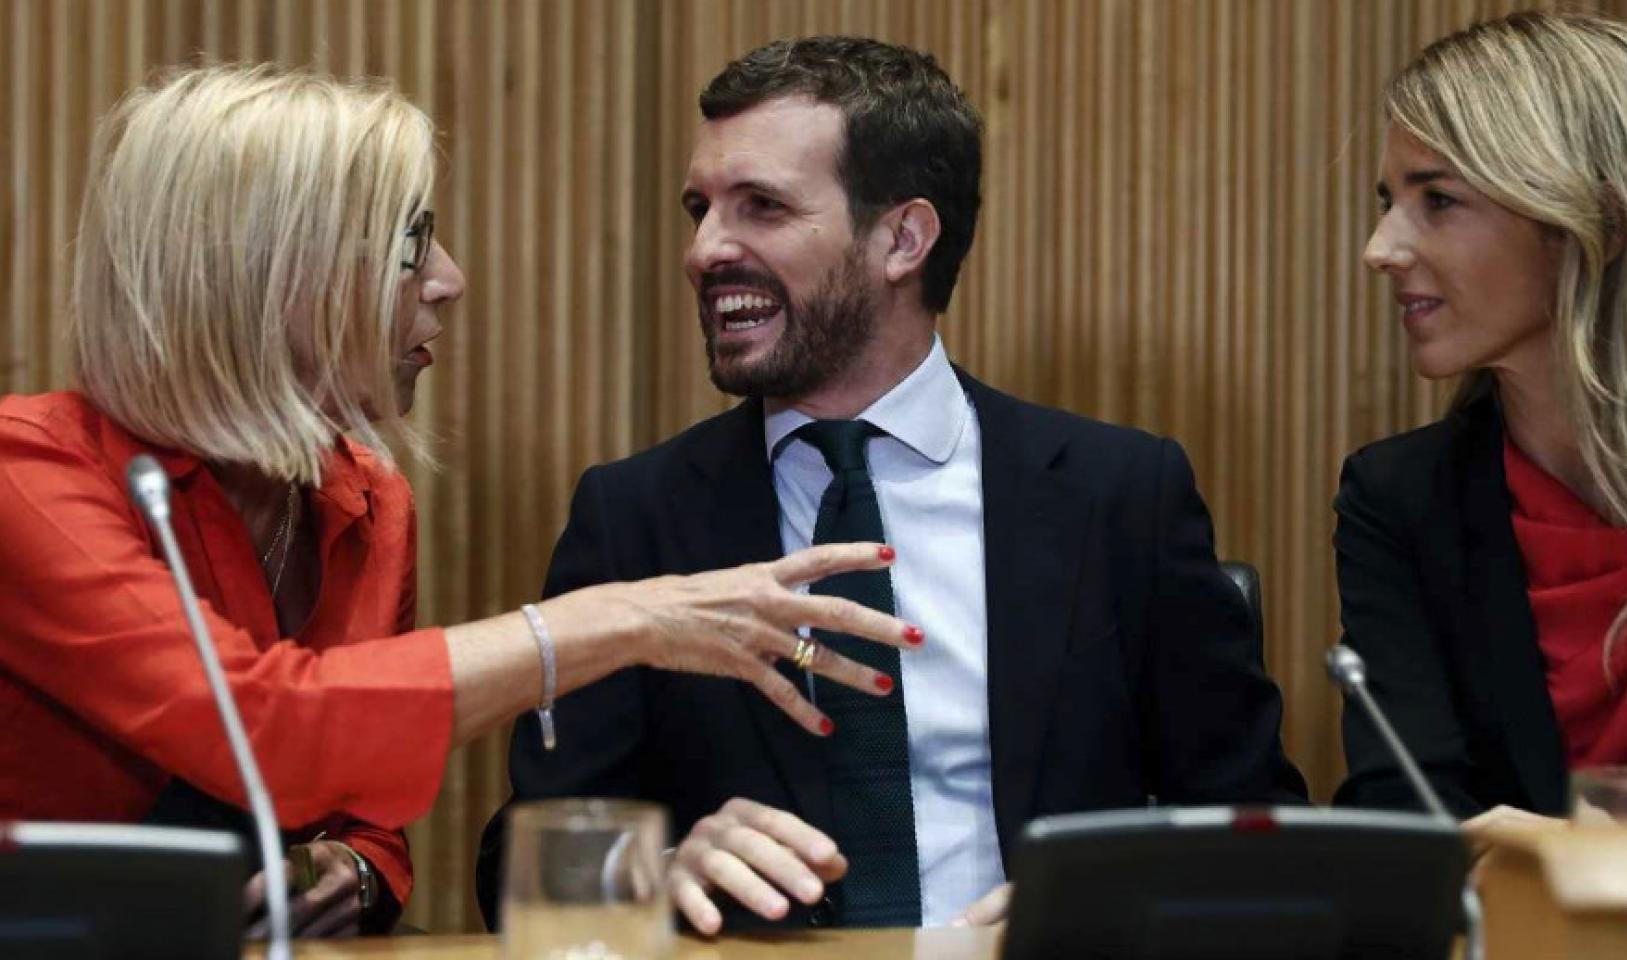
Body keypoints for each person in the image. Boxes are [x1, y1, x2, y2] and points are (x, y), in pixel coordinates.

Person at [0, 64, 916, 937]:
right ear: (268, 271)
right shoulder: (27, 474)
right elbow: (263, 727)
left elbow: (362, 797)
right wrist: (630, 616)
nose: (449, 276)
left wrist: (357, 871)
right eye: (410, 239)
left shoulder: (365, 499)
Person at [477, 36, 1306, 934]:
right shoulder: (635, 516)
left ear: (902, 238)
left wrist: (1113, 897)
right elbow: (521, 859)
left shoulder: (1118, 495)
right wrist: (663, 865)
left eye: (761, 206)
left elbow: (1262, 833)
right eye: (699, 209)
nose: (705, 249)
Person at [1333, 11, 1627, 839]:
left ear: (1600, 225)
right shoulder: (1398, 498)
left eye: (1438, 200)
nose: (1380, 247)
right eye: (1388, 202)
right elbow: (1404, 809)